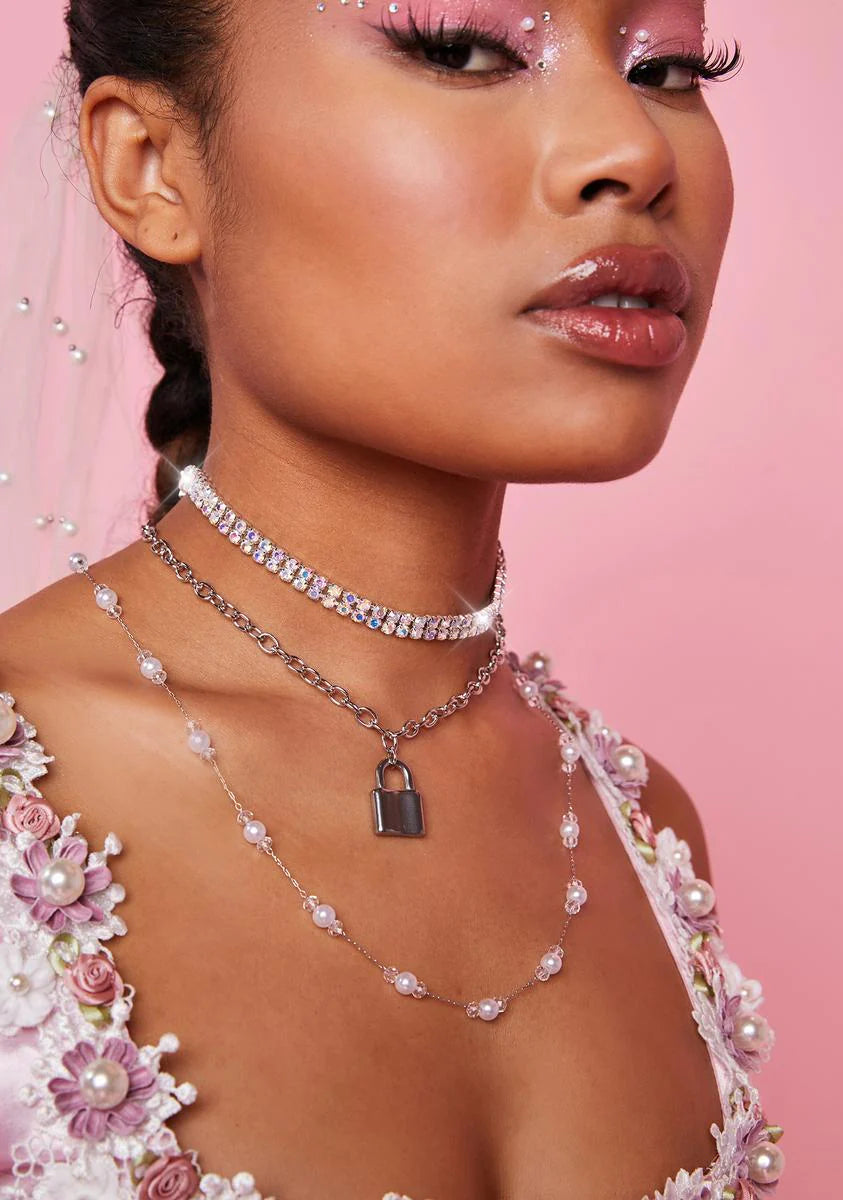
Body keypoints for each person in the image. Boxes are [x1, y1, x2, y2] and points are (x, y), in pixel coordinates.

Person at [0, 1, 786, 1197]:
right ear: (152, 167)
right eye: (461, 49)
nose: (633, 149)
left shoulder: (644, 835)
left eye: (670, 67)